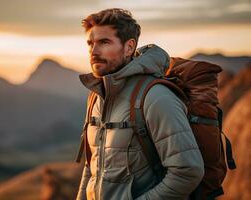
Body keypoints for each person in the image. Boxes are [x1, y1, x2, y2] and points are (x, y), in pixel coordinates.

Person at [76, 8, 204, 200]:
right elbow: (92, 166)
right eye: (90, 43)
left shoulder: (155, 97)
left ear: (129, 47)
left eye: (104, 42)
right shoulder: (97, 96)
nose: (94, 51)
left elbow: (188, 171)